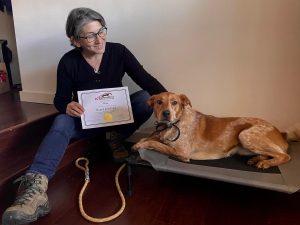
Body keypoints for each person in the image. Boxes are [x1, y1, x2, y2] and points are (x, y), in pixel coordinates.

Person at [2, 7, 166, 225]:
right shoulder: (68, 62)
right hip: (85, 123)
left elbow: (148, 81)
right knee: (61, 120)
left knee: (147, 97)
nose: (99, 40)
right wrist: (67, 106)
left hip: (116, 121)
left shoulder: (119, 52)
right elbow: (60, 100)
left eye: (101, 31)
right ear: (76, 40)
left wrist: (174, 108)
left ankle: (113, 137)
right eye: (90, 36)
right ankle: (35, 189)